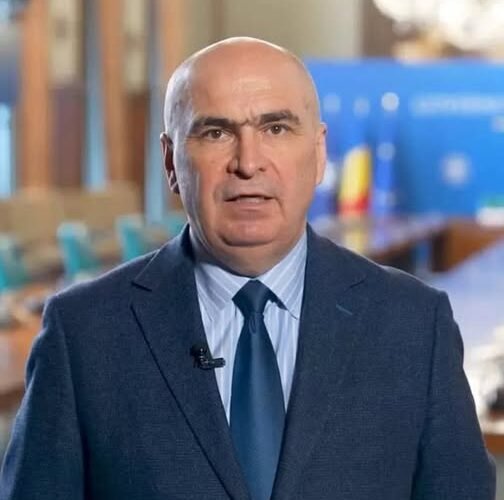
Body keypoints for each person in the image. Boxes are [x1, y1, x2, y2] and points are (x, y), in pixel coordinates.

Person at [0, 37, 495, 500]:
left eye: (276, 128)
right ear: (171, 162)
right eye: (216, 132)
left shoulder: (415, 324)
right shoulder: (82, 334)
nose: (248, 162)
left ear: (318, 153)